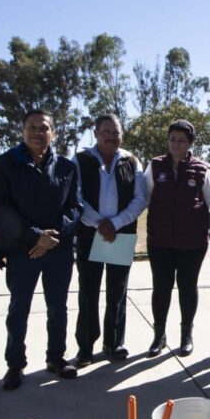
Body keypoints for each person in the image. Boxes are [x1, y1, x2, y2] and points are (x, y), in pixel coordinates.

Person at [0, 110, 81, 390]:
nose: (37, 133)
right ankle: (15, 365)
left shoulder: (66, 166)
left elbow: (75, 206)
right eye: (31, 127)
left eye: (44, 128)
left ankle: (56, 357)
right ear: (22, 131)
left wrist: (52, 237)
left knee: (58, 308)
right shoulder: (5, 164)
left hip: (59, 250)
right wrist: (35, 237)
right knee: (19, 308)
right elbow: (0, 209)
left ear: (53, 133)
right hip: (22, 251)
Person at [73, 114, 147, 365]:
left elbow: (140, 199)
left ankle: (113, 343)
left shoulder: (131, 160)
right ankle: (85, 348)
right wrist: (98, 223)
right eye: (106, 132)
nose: (111, 137)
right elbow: (77, 197)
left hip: (120, 235)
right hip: (89, 235)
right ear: (95, 133)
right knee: (88, 293)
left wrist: (114, 224)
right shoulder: (81, 159)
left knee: (117, 292)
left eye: (116, 133)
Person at [144, 119, 210, 358]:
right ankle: (159, 336)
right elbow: (143, 199)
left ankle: (186, 335)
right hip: (160, 242)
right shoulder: (155, 166)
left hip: (192, 244)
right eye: (172, 139)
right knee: (161, 289)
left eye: (181, 140)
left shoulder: (202, 169)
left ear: (190, 143)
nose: (176, 144)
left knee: (187, 288)